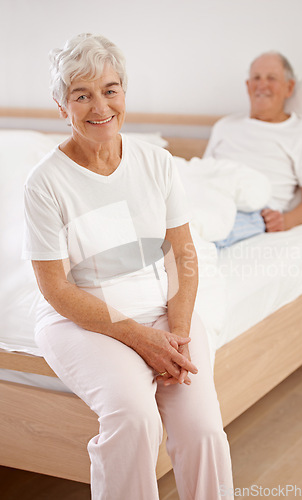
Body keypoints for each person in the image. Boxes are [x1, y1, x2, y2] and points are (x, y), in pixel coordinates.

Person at [22, 33, 233, 500]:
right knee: (134, 418)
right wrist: (142, 339)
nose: (100, 105)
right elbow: (55, 288)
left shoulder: (156, 163)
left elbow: (184, 256)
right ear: (63, 107)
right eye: (82, 94)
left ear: (123, 93)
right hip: (81, 321)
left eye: (110, 89)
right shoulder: (45, 183)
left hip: (164, 313)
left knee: (202, 430)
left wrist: (175, 335)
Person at [204, 51, 302, 238]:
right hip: (209, 197)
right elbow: (203, 172)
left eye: (271, 78)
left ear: (289, 87)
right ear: (248, 86)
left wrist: (285, 221)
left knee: (201, 231)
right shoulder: (224, 126)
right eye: (256, 78)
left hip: (253, 210)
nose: (262, 85)